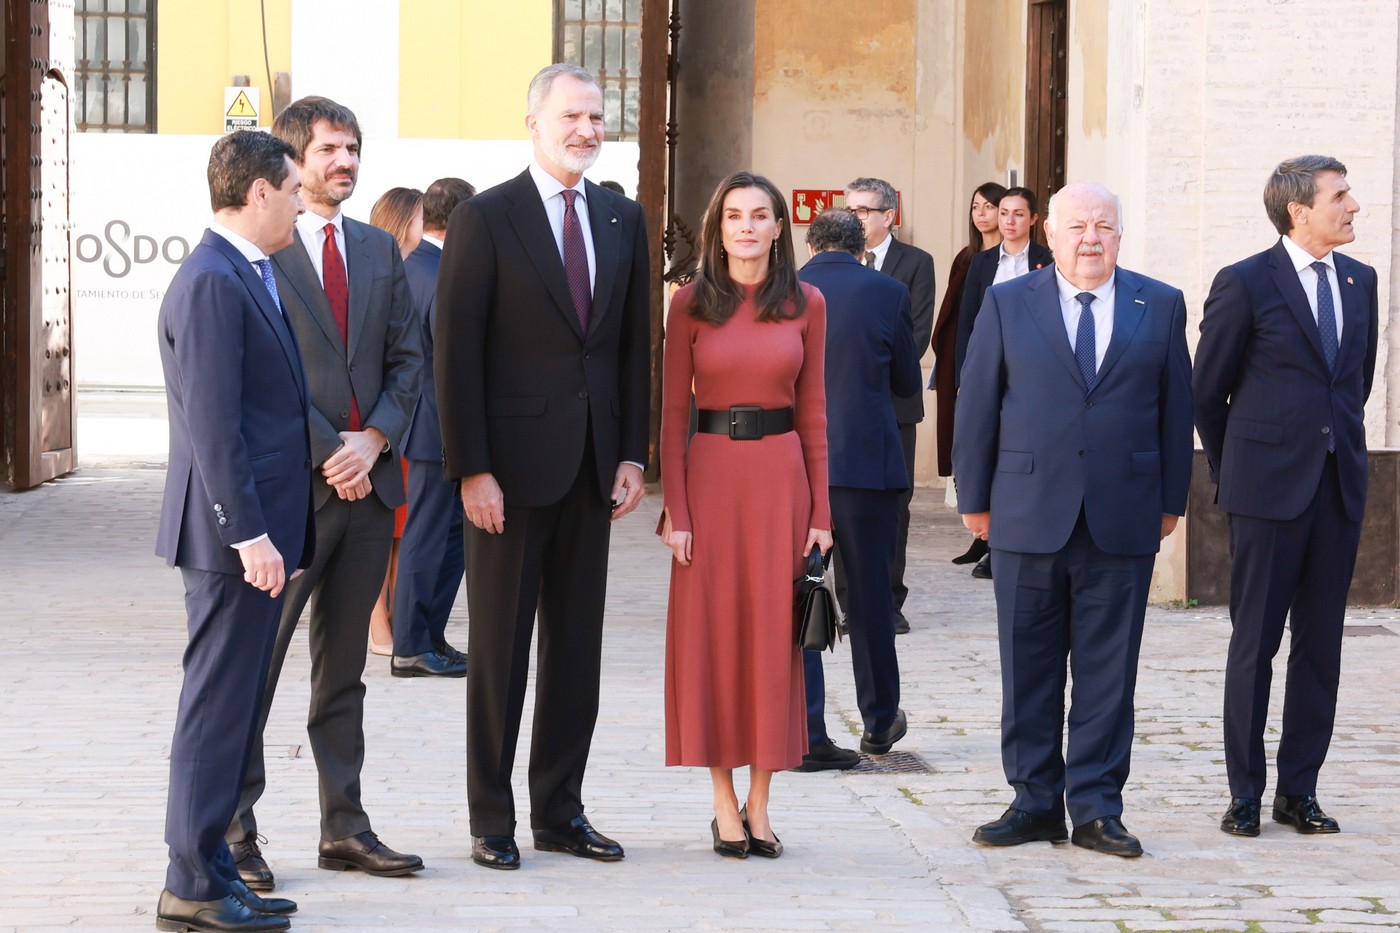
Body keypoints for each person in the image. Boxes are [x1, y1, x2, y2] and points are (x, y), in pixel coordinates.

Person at [435, 63, 651, 871]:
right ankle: (492, 817)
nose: (586, 130)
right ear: (533, 121)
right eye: (571, 116)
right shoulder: (486, 219)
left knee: (576, 653)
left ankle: (560, 809)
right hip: (508, 475)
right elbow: (454, 354)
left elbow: (632, 348)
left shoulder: (623, 219)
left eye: (597, 117)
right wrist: (471, 469)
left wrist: (633, 451)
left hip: (594, 469)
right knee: (499, 651)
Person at [953, 181, 1193, 858]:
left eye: (1104, 226)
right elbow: (977, 404)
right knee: (1027, 664)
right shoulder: (1007, 302)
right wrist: (974, 496)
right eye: (1078, 226)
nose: (1091, 237)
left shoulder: (1160, 303)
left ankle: (1095, 806)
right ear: (1049, 235)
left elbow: (1178, 409)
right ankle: (1033, 801)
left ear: (1120, 235)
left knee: (1108, 670)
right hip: (1027, 511)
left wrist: (1171, 500)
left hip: (1124, 514)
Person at [229, 96, 426, 890]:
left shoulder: (381, 251)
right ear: (291, 162)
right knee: (257, 669)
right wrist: (328, 451)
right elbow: (258, 376)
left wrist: (372, 440)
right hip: (293, 498)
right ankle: (235, 831)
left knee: (343, 671)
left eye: (352, 148)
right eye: (329, 150)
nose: (345, 162)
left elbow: (411, 359)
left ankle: (343, 825)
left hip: (370, 491)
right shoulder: (263, 250)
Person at [153, 129, 312, 932]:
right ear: (257, 193)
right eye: (291, 188)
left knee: (232, 707)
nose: (299, 201)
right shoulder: (215, 280)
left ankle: (214, 867)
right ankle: (191, 881)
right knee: (216, 710)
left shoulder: (245, 269)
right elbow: (215, 427)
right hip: (231, 545)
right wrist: (249, 533)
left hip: (252, 539)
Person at [1194, 156, 1377, 839]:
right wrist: (1243, 463)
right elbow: (1208, 393)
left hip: (1337, 488)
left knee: (1320, 647)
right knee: (1256, 643)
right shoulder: (1244, 282)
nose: (1353, 205)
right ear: (1299, 210)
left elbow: (1353, 383)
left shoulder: (1362, 281)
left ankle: (1299, 791)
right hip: (1264, 491)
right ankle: (1245, 792)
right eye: (1340, 195)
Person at [660, 171, 831, 859]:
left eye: (760, 215)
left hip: (781, 483)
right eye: (734, 215)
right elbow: (671, 414)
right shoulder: (691, 303)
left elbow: (816, 411)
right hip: (710, 478)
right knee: (712, 639)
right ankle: (723, 801)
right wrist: (676, 507)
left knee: (772, 641)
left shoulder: (808, 302)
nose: (747, 227)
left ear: (778, 227)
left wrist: (823, 512)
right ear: (717, 227)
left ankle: (762, 802)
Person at [795, 208, 919, 773]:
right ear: (861, 244)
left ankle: (807, 722)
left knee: (801, 593)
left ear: (809, 242)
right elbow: (905, 382)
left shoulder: (785, 291)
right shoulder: (889, 292)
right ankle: (878, 718)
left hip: (797, 467)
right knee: (868, 595)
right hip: (866, 466)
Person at [391, 177, 477, 676]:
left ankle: (427, 639)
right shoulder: (442, 273)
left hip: (425, 425)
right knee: (429, 536)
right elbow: (452, 362)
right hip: (436, 427)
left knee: (442, 535)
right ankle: (413, 645)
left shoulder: (415, 265)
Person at [842, 178, 934, 634]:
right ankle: (847, 604)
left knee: (894, 506)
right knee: (841, 505)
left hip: (894, 407)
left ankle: (888, 602)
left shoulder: (915, 264)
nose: (854, 218)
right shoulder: (830, 263)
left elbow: (915, 337)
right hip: (840, 410)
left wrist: (861, 376)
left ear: (888, 216)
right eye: (850, 209)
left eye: (863, 210)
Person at [954, 185, 1052, 579]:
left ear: (1033, 221)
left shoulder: (1047, 260)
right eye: (1004, 213)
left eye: (1017, 214)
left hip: (1028, 372)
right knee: (988, 448)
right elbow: (966, 321)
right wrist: (965, 375)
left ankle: (1009, 542)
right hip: (986, 368)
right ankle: (991, 539)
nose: (1008, 221)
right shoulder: (981, 263)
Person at [931, 182, 1006, 568]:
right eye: (976, 206)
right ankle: (979, 534)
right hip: (964, 363)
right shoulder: (968, 256)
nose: (982, 213)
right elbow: (957, 317)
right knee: (968, 446)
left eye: (989, 206)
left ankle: (995, 538)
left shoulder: (1013, 259)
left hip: (999, 365)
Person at [365, 186, 426, 661]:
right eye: (422, 216)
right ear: (407, 220)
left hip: (409, 419)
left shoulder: (405, 267)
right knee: (386, 530)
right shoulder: (390, 271)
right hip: (390, 422)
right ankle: (376, 618)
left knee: (400, 529)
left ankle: (388, 615)